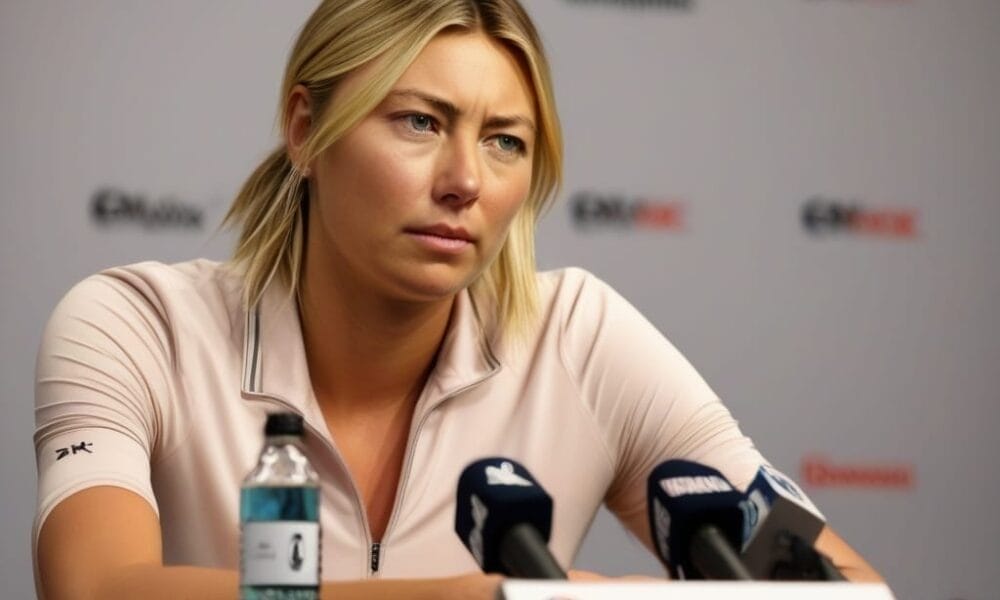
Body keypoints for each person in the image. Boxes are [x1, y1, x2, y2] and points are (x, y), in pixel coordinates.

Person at [32, 1, 882, 598]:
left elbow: (841, 587)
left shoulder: (581, 339)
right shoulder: (135, 325)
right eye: (419, 123)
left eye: (505, 141)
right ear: (304, 130)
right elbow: (99, 587)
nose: (465, 181)